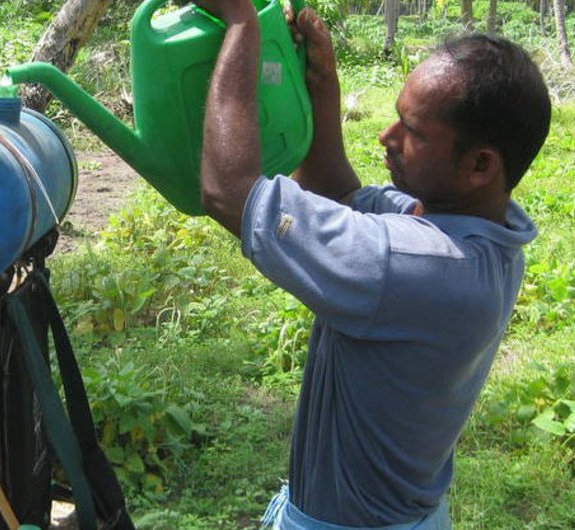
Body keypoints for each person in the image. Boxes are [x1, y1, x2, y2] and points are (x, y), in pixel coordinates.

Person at [193, 0, 552, 528]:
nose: (386, 136)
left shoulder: (412, 263)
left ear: (480, 165)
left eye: (413, 130)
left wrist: (241, 24)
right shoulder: (485, 234)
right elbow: (339, 192)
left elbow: (228, 192)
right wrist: (322, 81)